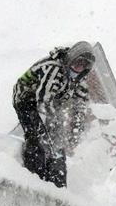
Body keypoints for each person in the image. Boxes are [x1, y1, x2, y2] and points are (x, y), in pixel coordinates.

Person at [12, 41, 96, 187]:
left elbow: (80, 107)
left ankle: (57, 182)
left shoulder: (77, 82)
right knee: (37, 136)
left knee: (57, 145)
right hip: (26, 99)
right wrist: (50, 124)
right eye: (78, 62)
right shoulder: (54, 69)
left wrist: (75, 129)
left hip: (49, 105)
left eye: (83, 65)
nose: (79, 67)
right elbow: (43, 101)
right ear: (72, 59)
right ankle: (35, 177)